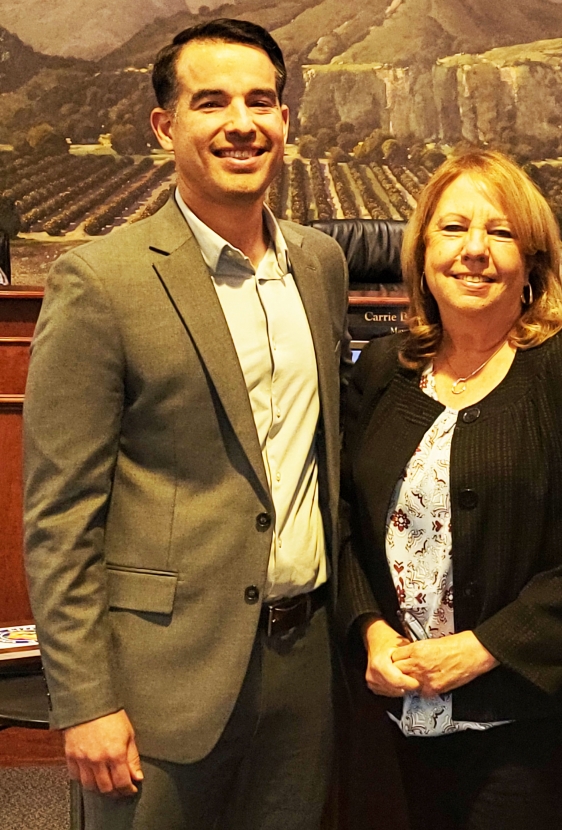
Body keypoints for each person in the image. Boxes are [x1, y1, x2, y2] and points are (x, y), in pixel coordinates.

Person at [22, 19, 349, 830]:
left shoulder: (320, 265)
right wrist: (85, 700)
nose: (242, 122)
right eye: (213, 102)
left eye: (262, 102)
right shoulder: (100, 280)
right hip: (157, 681)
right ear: (166, 126)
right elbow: (60, 516)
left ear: (284, 120)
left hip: (303, 666)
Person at [339, 148, 562, 830]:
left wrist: (480, 649)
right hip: (391, 713)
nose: (474, 251)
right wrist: (370, 630)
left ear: (531, 261)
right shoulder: (385, 367)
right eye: (453, 229)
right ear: (419, 254)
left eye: (500, 232)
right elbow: (345, 521)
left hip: (530, 726)